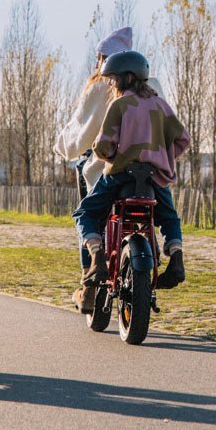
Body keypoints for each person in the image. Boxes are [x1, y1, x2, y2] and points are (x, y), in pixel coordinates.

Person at [71, 50, 190, 313]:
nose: (111, 84)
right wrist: (164, 157)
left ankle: (97, 260)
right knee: (169, 218)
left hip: (120, 176)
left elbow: (103, 146)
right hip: (154, 178)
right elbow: (183, 139)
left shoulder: (120, 105)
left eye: (113, 79)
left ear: (127, 77)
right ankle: (177, 260)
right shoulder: (161, 105)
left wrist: (107, 153)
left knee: (86, 212)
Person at [56, 27, 163, 273]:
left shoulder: (102, 86)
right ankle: (169, 250)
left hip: (112, 168)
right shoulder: (153, 85)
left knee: (87, 211)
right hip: (153, 170)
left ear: (107, 60)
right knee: (164, 212)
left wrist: (62, 147)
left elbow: (81, 132)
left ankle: (90, 273)